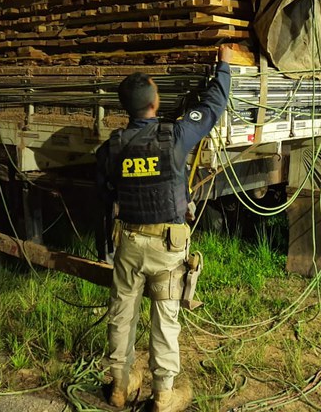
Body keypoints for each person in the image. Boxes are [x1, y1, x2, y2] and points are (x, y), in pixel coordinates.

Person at [96, 44, 232, 412]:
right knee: (165, 321)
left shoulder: (114, 146)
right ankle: (163, 396)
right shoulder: (174, 137)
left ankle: (120, 388)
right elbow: (213, 108)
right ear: (155, 102)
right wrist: (223, 67)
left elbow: (105, 187)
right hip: (166, 247)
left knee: (122, 315)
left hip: (128, 242)